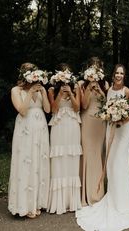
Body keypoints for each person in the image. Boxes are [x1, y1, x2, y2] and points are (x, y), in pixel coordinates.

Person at [77, 64, 129, 231]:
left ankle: (123, 202)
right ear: (113, 75)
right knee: (111, 163)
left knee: (120, 163)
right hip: (109, 128)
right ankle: (112, 196)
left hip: (123, 130)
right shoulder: (109, 90)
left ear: (124, 76)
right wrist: (111, 116)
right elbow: (105, 108)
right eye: (117, 72)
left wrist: (121, 119)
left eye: (122, 73)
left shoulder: (127, 91)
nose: (119, 75)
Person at [8, 62, 50, 218]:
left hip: (40, 129)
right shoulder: (16, 90)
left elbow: (47, 109)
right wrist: (31, 92)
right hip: (25, 129)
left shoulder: (41, 89)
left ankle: (37, 202)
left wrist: (43, 93)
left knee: (39, 162)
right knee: (26, 162)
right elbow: (22, 111)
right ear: (23, 75)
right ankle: (24, 205)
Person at [47, 63, 82, 214]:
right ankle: (58, 202)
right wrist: (60, 94)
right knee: (59, 160)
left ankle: (72, 201)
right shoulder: (51, 90)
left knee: (71, 159)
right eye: (63, 74)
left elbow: (77, 108)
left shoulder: (76, 88)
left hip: (72, 126)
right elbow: (53, 110)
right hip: (58, 127)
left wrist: (72, 94)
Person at [80, 57, 108, 205]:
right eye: (92, 67)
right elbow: (83, 105)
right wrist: (89, 89)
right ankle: (85, 192)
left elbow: (107, 105)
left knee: (98, 154)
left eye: (97, 67)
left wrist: (99, 90)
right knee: (87, 153)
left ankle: (97, 192)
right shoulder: (81, 85)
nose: (95, 70)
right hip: (87, 120)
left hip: (100, 122)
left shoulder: (105, 84)